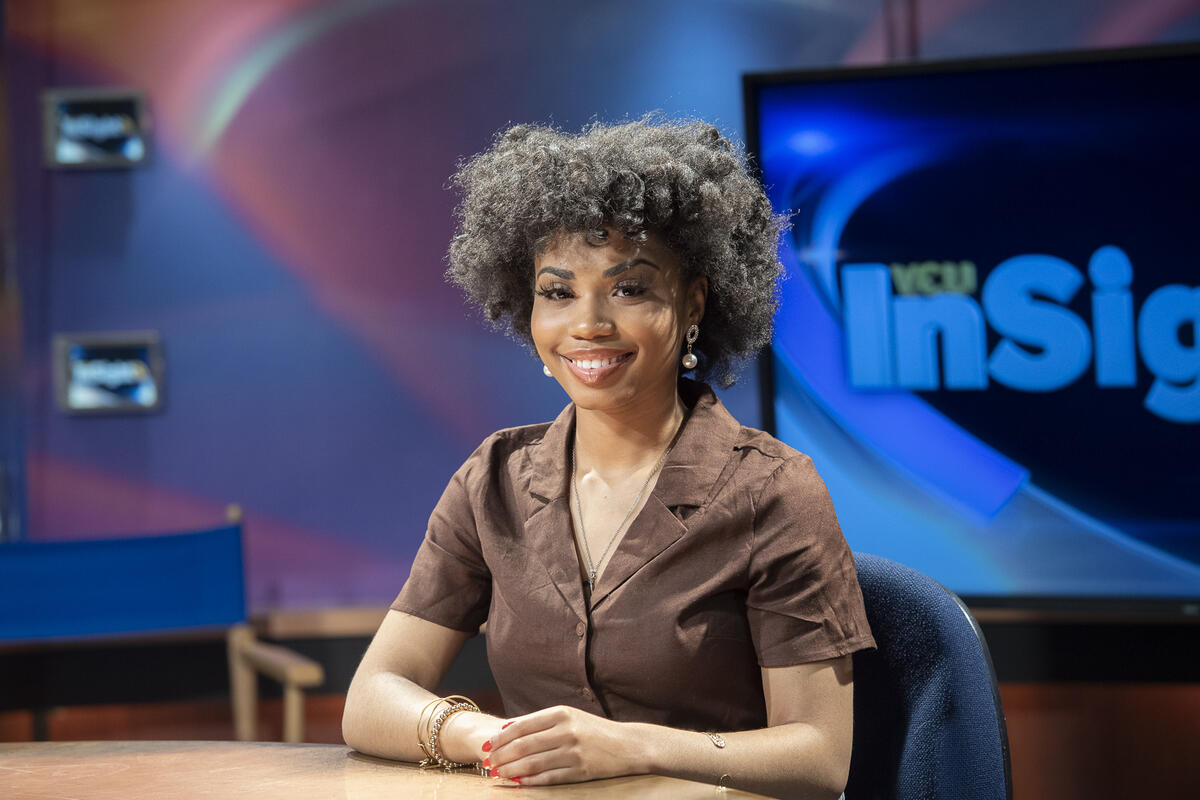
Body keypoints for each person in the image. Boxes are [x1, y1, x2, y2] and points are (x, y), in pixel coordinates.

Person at [342, 117, 875, 799]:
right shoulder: (492, 480)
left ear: (693, 304)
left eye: (630, 289)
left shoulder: (773, 492)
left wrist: (624, 747)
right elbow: (370, 699)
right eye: (558, 292)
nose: (588, 323)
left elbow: (820, 759)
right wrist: (492, 740)